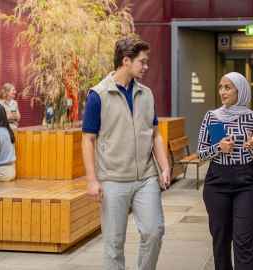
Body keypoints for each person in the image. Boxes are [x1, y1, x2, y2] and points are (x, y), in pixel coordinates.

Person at [82, 37, 171, 270]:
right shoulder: (98, 95)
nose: (146, 66)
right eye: (142, 61)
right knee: (113, 244)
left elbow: (155, 134)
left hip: (146, 178)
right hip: (113, 179)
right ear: (126, 61)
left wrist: (165, 167)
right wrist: (92, 180)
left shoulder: (147, 94)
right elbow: (88, 139)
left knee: (154, 231)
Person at [197, 72, 253, 270]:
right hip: (217, 181)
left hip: (247, 183)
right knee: (221, 239)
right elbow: (201, 154)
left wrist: (252, 147)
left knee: (244, 240)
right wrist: (219, 147)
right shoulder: (214, 117)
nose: (222, 92)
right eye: (221, 87)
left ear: (240, 90)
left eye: (228, 87)